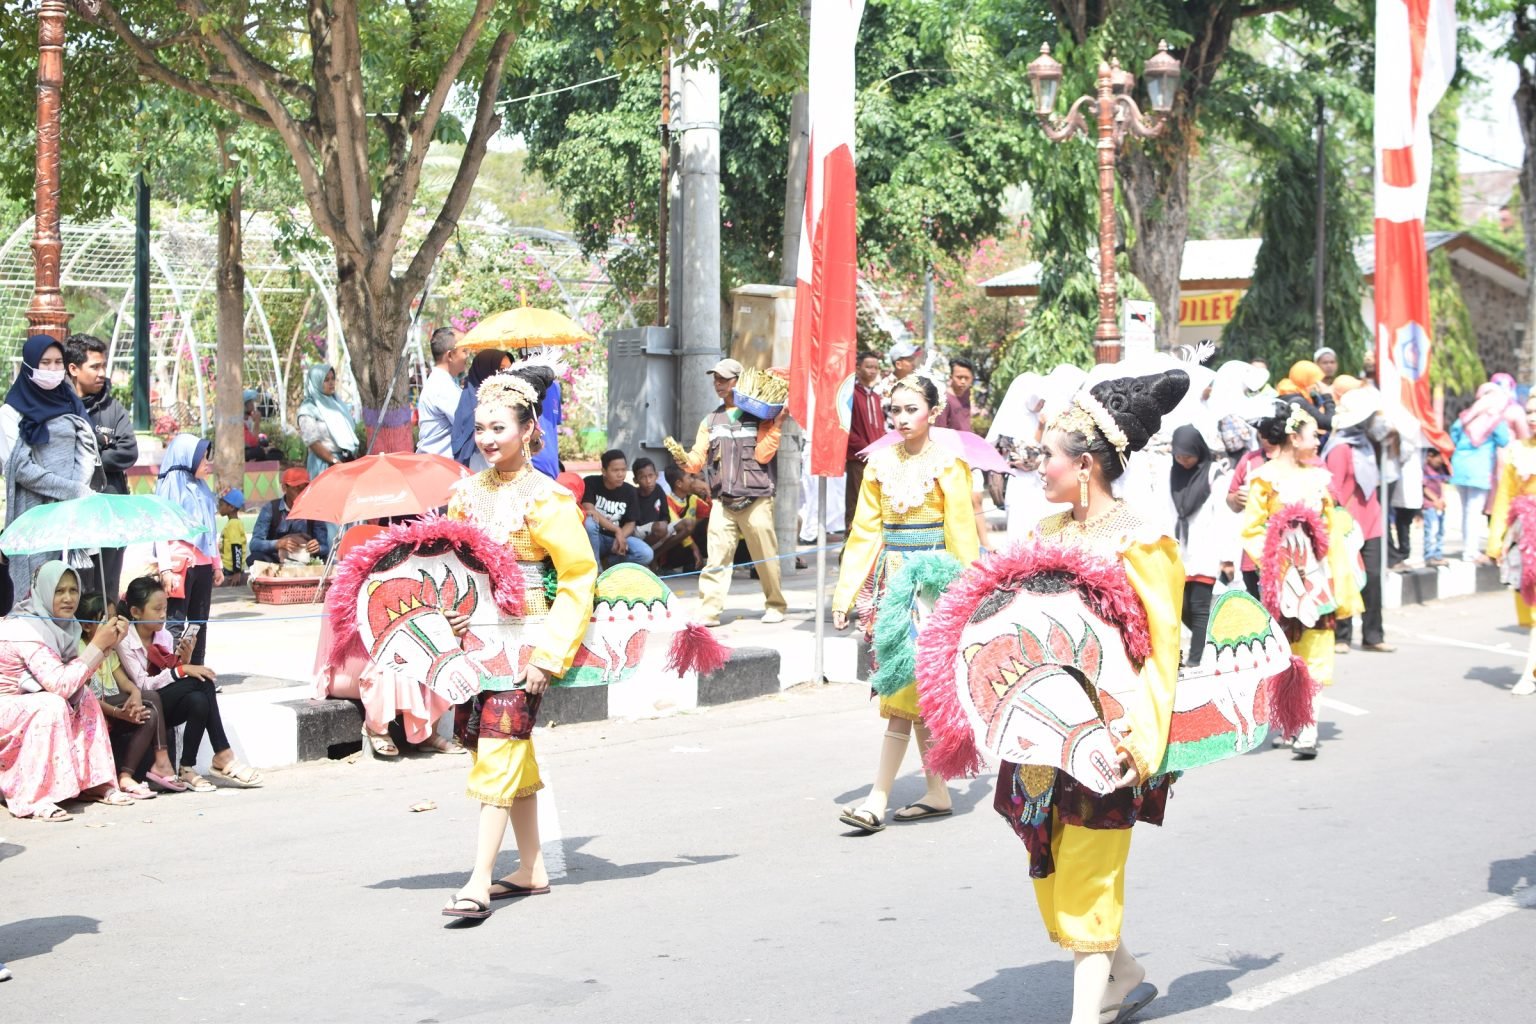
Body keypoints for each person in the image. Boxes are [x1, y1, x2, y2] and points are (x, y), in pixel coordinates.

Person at [993, 370, 1189, 1024]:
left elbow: (1163, 650)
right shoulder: (1043, 532)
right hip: (1042, 734)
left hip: (1110, 735)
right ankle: (1122, 973)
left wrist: (1143, 735)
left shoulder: (1143, 542)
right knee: (1048, 864)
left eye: (1046, 453)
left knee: (1089, 872)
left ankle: (1088, 1015)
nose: (1035, 462)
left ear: (1083, 466)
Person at [442, 364, 598, 920]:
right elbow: (456, 573)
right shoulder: (462, 496)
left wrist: (549, 654)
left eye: (498, 429)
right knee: (502, 745)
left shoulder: (548, 499)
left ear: (530, 429)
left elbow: (579, 577)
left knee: (499, 749)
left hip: (528, 646)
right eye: (480, 428)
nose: (486, 439)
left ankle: (478, 881)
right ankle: (530, 867)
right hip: (476, 648)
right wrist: (454, 621)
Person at [831, 373, 979, 833]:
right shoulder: (878, 463)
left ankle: (877, 799)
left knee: (902, 688)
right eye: (894, 409)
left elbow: (961, 534)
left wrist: (970, 595)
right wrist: (845, 592)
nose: (901, 418)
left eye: (911, 409)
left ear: (933, 412)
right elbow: (864, 533)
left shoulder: (949, 464)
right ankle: (936, 792)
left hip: (932, 587)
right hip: (891, 586)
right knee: (911, 688)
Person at [1240, 402, 1362, 757]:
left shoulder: (1319, 478)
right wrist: (1278, 561)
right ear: (1294, 436)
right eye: (1313, 435)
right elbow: (1251, 529)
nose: (1319, 441)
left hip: (1317, 575)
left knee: (1317, 646)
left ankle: (1308, 726)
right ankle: (1290, 721)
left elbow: (1330, 527)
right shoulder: (1264, 478)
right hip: (1281, 578)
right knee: (1284, 652)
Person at [0, 562, 132, 820]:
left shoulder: (63, 626)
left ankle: (94, 783)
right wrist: (97, 645)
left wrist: (109, 643)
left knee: (84, 697)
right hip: (7, 705)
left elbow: (75, 677)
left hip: (28, 703)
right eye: (59, 591)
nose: (68, 598)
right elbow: (60, 684)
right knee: (52, 704)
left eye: (73, 590)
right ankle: (34, 798)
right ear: (43, 591)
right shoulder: (25, 628)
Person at [670, 358, 787, 626]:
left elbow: (763, 455)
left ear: (739, 381)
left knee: (766, 558)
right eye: (715, 379)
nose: (718, 384)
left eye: (724, 379)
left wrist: (777, 425)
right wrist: (684, 461)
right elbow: (698, 459)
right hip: (723, 501)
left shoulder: (760, 416)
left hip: (756, 498)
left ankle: (776, 605)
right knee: (717, 558)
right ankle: (710, 611)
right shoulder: (710, 420)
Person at [116, 575, 261, 791]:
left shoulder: (162, 635)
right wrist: (182, 670)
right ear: (136, 612)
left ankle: (186, 766)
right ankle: (222, 754)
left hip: (167, 700)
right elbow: (144, 685)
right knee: (203, 683)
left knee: (199, 700)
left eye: (165, 607)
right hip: (147, 704)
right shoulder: (126, 640)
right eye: (156, 609)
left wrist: (184, 661)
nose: (163, 614)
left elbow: (169, 672)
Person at [1, 334, 99, 606]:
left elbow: (86, 446)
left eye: (58, 362)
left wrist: (79, 486)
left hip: (72, 517)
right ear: (30, 365)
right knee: (37, 594)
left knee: (72, 594)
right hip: (34, 516)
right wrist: (71, 489)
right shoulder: (11, 413)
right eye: (45, 362)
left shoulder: (70, 401)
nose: (53, 369)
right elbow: (18, 468)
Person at [66, 333, 139, 601]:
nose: (102, 373)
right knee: (73, 590)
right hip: (71, 516)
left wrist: (86, 456)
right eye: (94, 366)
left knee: (106, 591)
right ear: (73, 369)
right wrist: (101, 446)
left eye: (103, 366)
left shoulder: (114, 409)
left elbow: (128, 451)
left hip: (111, 515)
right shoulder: (59, 407)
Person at [1324, 388, 1394, 654]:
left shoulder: (1367, 444)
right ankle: (1342, 635)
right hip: (1348, 524)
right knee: (1346, 577)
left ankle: (1373, 634)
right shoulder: (1339, 448)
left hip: (1372, 519)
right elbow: (1334, 488)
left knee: (1374, 577)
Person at [75, 591, 159, 800]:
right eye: (107, 621)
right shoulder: (81, 650)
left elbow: (124, 683)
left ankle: (126, 775)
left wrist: (136, 695)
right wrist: (118, 712)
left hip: (115, 707)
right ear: (87, 626)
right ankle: (162, 760)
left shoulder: (110, 650)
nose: (115, 627)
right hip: (97, 709)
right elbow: (86, 696)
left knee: (149, 714)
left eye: (116, 619)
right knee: (154, 698)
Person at [152, 435, 223, 665]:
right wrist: (165, 570)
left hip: (202, 567)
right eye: (202, 458)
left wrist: (216, 565)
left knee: (199, 622)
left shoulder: (203, 489)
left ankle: (197, 670)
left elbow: (209, 531)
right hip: (178, 567)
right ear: (186, 459)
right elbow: (160, 532)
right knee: (175, 622)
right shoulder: (169, 489)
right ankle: (172, 672)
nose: (207, 464)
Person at [1165, 425, 1227, 667]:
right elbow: (1164, 511)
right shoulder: (1169, 473)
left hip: (1205, 549)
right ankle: (1214, 644)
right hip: (1178, 551)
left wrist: (1226, 555)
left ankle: (1196, 659)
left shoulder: (1213, 473)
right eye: (1179, 456)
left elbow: (1222, 514)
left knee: (1199, 607)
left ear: (1199, 451)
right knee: (1180, 608)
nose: (1183, 461)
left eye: (1188, 456)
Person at [1486, 394, 1536, 695]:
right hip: (1527, 538)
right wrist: (1497, 540)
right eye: (1529, 411)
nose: (1532, 417)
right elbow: (1505, 497)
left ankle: (1529, 673)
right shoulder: (1518, 451)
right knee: (1531, 609)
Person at [1451, 383, 1516, 562]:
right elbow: (1504, 440)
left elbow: (1454, 433)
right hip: (1479, 469)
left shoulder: (1467, 415)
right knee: (1473, 511)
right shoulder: (1494, 419)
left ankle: (1467, 548)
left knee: (1465, 510)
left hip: (1459, 465)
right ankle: (1470, 552)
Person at [582, 449, 653, 567]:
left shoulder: (630, 491)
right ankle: (595, 569)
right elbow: (589, 509)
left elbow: (631, 523)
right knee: (590, 522)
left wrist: (620, 536)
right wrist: (617, 530)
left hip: (615, 540)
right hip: (595, 539)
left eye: (623, 470)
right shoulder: (591, 482)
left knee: (646, 554)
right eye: (615, 470)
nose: (620, 474)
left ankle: (609, 563)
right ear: (604, 471)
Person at [251, 468, 332, 569]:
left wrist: (318, 548)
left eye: (304, 489)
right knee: (255, 558)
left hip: (306, 561)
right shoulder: (270, 509)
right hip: (276, 561)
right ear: (285, 488)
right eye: (297, 488)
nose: (301, 493)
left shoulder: (314, 510)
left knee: (327, 562)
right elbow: (254, 544)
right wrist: (278, 544)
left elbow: (325, 547)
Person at [845, 351, 885, 533]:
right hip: (858, 459)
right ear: (858, 368)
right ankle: (848, 549)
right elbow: (847, 430)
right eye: (869, 367)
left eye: (876, 367)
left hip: (878, 460)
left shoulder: (875, 397)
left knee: (876, 504)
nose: (873, 371)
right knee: (856, 504)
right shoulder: (851, 394)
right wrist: (867, 449)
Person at [451, 349, 510, 471]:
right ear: (486, 371)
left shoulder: (503, 397)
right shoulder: (476, 401)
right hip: (481, 467)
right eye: (502, 369)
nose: (507, 374)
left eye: (510, 369)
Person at [297, 363, 358, 481]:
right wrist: (334, 461)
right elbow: (313, 443)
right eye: (326, 380)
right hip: (323, 465)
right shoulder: (308, 409)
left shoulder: (338, 404)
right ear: (316, 382)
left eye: (332, 379)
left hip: (344, 461)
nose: (331, 383)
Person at [416, 327, 466, 458]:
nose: (468, 355)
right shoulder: (442, 387)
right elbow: (468, 423)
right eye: (464, 350)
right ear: (450, 355)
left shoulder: (444, 382)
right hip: (438, 466)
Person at [658, 464, 707, 573]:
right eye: (690, 477)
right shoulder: (667, 500)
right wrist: (695, 549)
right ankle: (665, 566)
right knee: (683, 528)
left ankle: (692, 563)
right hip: (673, 549)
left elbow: (711, 512)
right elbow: (680, 528)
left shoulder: (693, 498)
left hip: (689, 546)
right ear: (679, 484)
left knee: (708, 521)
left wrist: (707, 492)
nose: (693, 481)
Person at [1423, 447, 1450, 567]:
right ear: (1430, 456)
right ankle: (1429, 555)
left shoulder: (1440, 469)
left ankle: (1438, 554)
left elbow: (1443, 483)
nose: (1440, 461)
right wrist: (1435, 500)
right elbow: (1424, 487)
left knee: (1440, 531)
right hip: (1429, 504)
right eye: (1438, 458)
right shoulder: (1425, 469)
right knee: (1431, 530)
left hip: (1440, 504)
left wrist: (1443, 498)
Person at [935, 358, 976, 433]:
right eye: (959, 377)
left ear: (972, 378)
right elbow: (939, 430)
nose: (963, 381)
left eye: (967, 378)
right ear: (951, 377)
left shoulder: (967, 393)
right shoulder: (944, 400)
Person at [218, 489, 248, 587]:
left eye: (222, 505)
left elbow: (236, 547)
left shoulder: (233, 524)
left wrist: (237, 572)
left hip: (229, 568)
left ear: (231, 507)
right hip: (229, 567)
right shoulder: (234, 523)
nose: (219, 507)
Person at [242, 389, 281, 461]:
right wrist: (257, 422)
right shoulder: (239, 422)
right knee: (259, 452)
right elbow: (252, 442)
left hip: (249, 447)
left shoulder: (250, 417)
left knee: (275, 452)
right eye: (251, 403)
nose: (253, 405)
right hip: (241, 452)